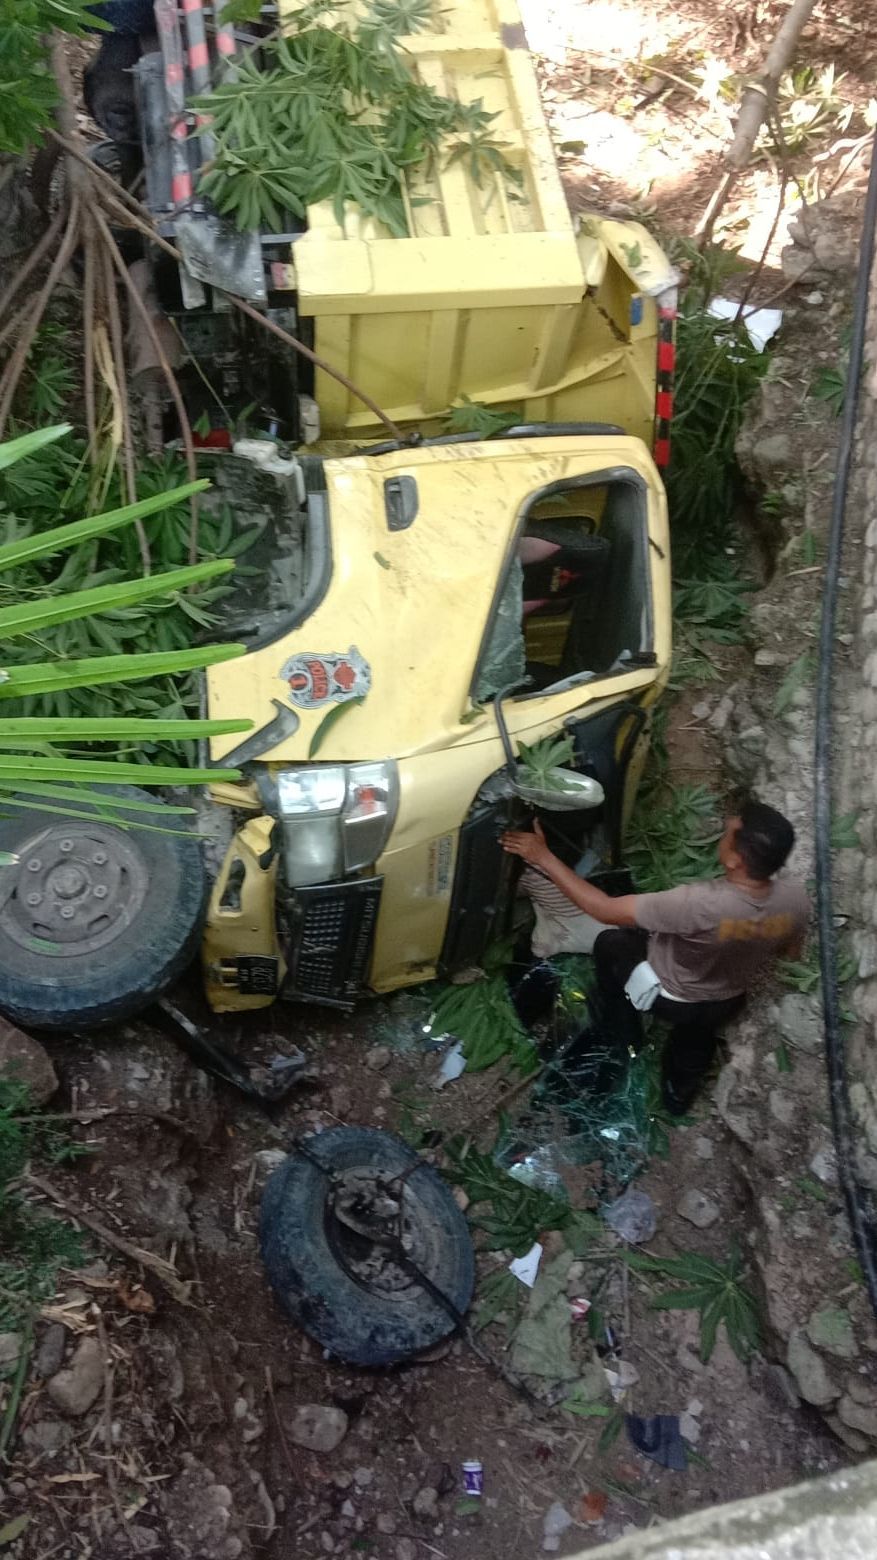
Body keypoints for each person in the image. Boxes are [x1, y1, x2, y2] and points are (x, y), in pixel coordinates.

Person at [501, 800, 809, 1114]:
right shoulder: (796, 900)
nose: (722, 833)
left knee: (611, 942)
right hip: (726, 1000)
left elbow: (605, 910)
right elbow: (791, 951)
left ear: (734, 859)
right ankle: (677, 1098)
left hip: (669, 997)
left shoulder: (697, 904)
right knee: (694, 1046)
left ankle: (622, 1026)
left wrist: (544, 858)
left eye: (726, 833)